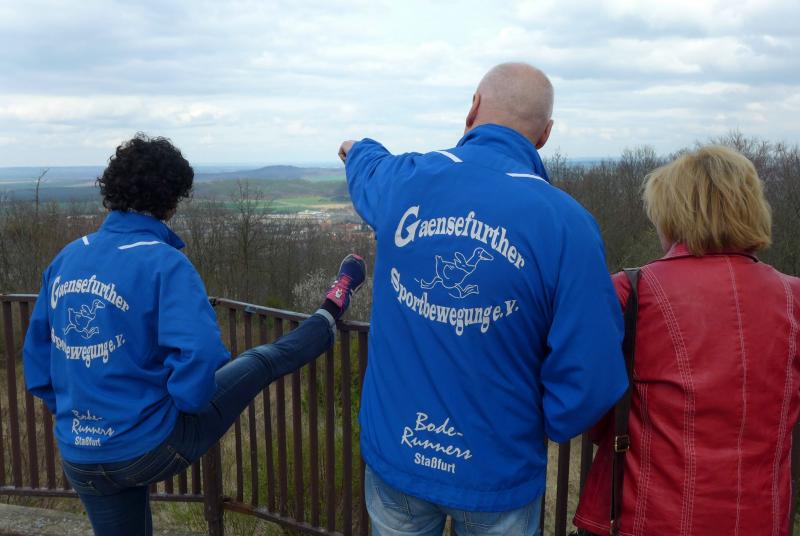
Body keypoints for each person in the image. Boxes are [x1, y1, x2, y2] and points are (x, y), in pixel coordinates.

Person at [22, 133, 366, 536]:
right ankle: (332, 307)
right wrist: (184, 404)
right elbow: (200, 355)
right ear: (171, 201)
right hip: (150, 446)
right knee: (261, 361)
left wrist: (80, 419)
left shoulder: (67, 258)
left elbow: (38, 364)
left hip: (79, 454)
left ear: (110, 190)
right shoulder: (163, 263)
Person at [338, 62, 628, 535]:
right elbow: (592, 369)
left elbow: (368, 165)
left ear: (473, 107)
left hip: (398, 457)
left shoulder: (405, 180)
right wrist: (544, 423)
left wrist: (354, 148)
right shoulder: (567, 226)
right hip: (498, 472)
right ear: (545, 134)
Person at [573, 145, 800, 535]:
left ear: (674, 214)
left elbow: (584, 395)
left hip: (647, 515)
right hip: (759, 517)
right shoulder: (792, 296)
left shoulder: (632, 291)